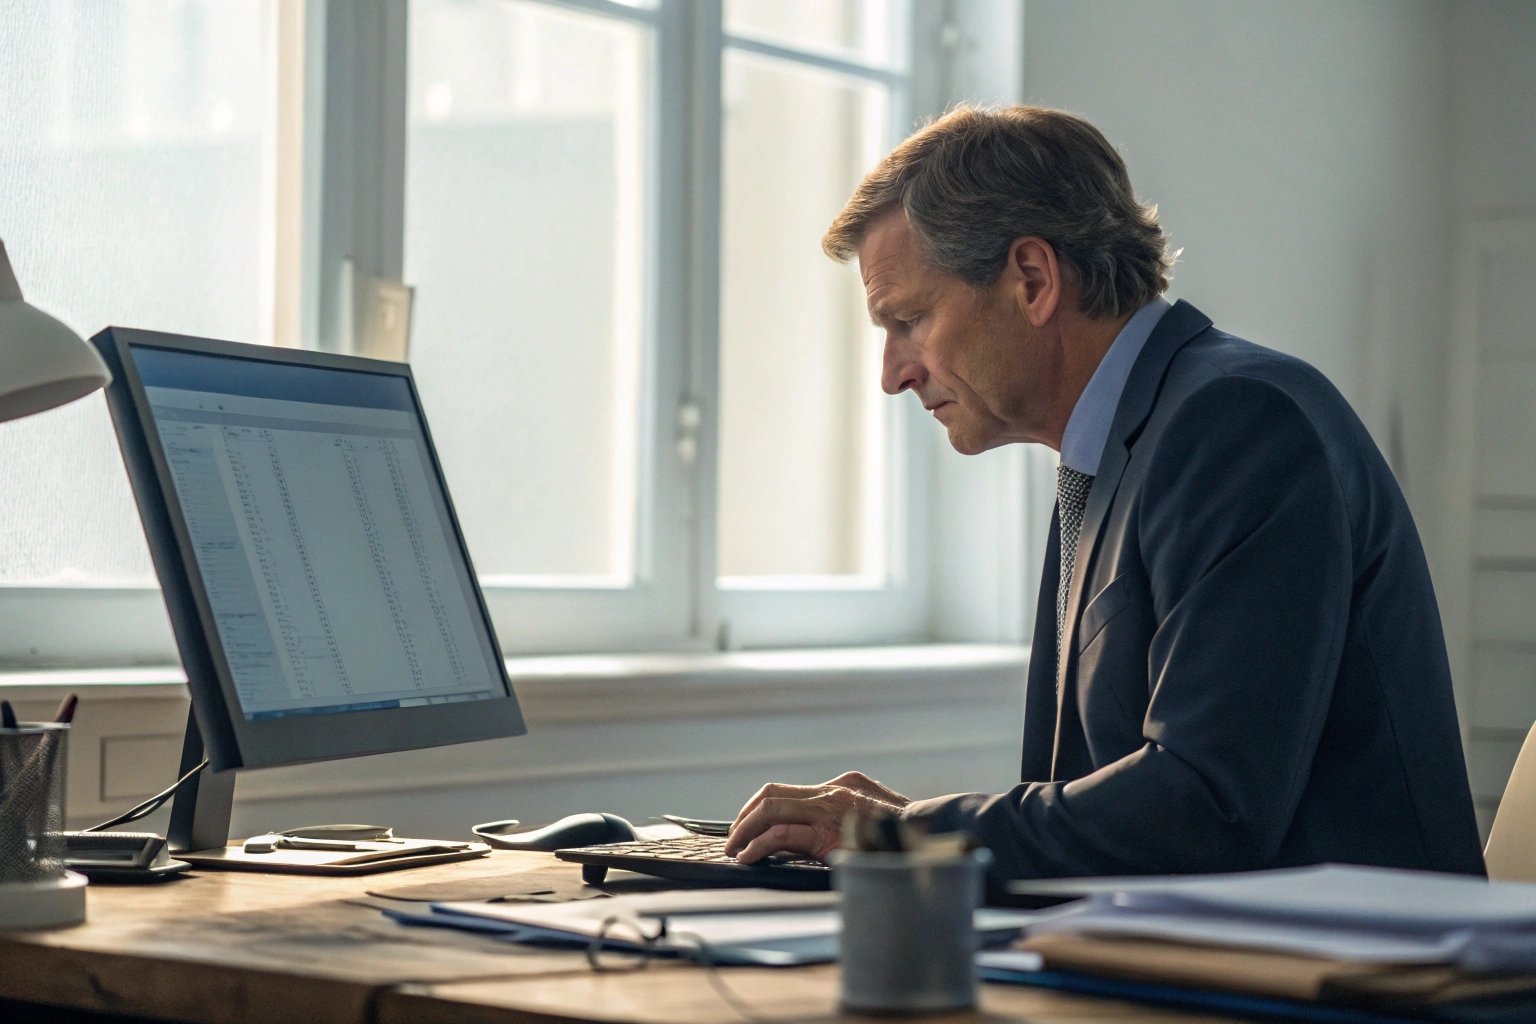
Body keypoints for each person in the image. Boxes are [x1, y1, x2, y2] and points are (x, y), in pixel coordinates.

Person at [722, 105, 1485, 881]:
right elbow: (1105, 808)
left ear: (1032, 278)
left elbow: (1206, 807)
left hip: (1354, 981)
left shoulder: (1240, 425)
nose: (894, 374)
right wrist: (907, 838)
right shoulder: (1116, 446)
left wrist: (905, 833)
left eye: (909, 319)